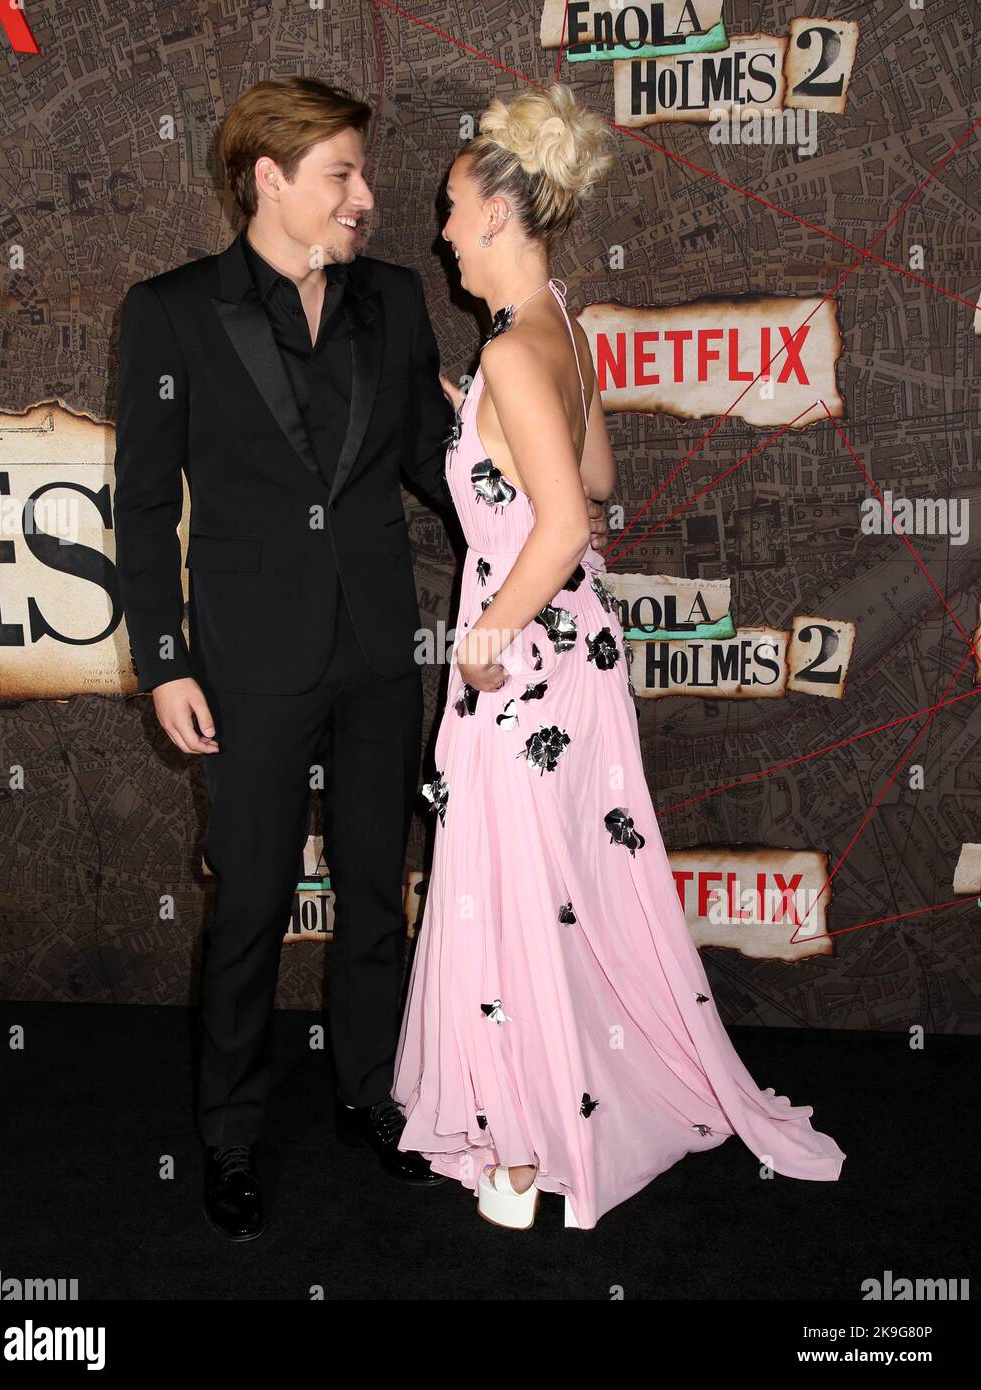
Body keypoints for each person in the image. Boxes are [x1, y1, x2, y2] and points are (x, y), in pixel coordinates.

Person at [112, 76, 608, 1241]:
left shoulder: (390, 299)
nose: (367, 200)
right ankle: (230, 1137)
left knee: (381, 895)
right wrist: (166, 659)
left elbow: (436, 466)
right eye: (340, 174)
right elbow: (141, 510)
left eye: (366, 174)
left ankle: (372, 1097)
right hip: (245, 667)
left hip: (383, 656)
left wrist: (516, 446)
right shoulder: (172, 312)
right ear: (268, 178)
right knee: (250, 908)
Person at [391, 82, 846, 1230]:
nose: (439, 228)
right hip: (577, 648)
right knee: (565, 890)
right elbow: (589, 483)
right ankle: (560, 1110)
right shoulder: (556, 322)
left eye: (449, 205)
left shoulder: (511, 353)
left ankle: (526, 1142)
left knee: (514, 891)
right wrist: (481, 425)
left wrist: (483, 643)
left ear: (498, 210)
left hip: (526, 656)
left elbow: (556, 522)